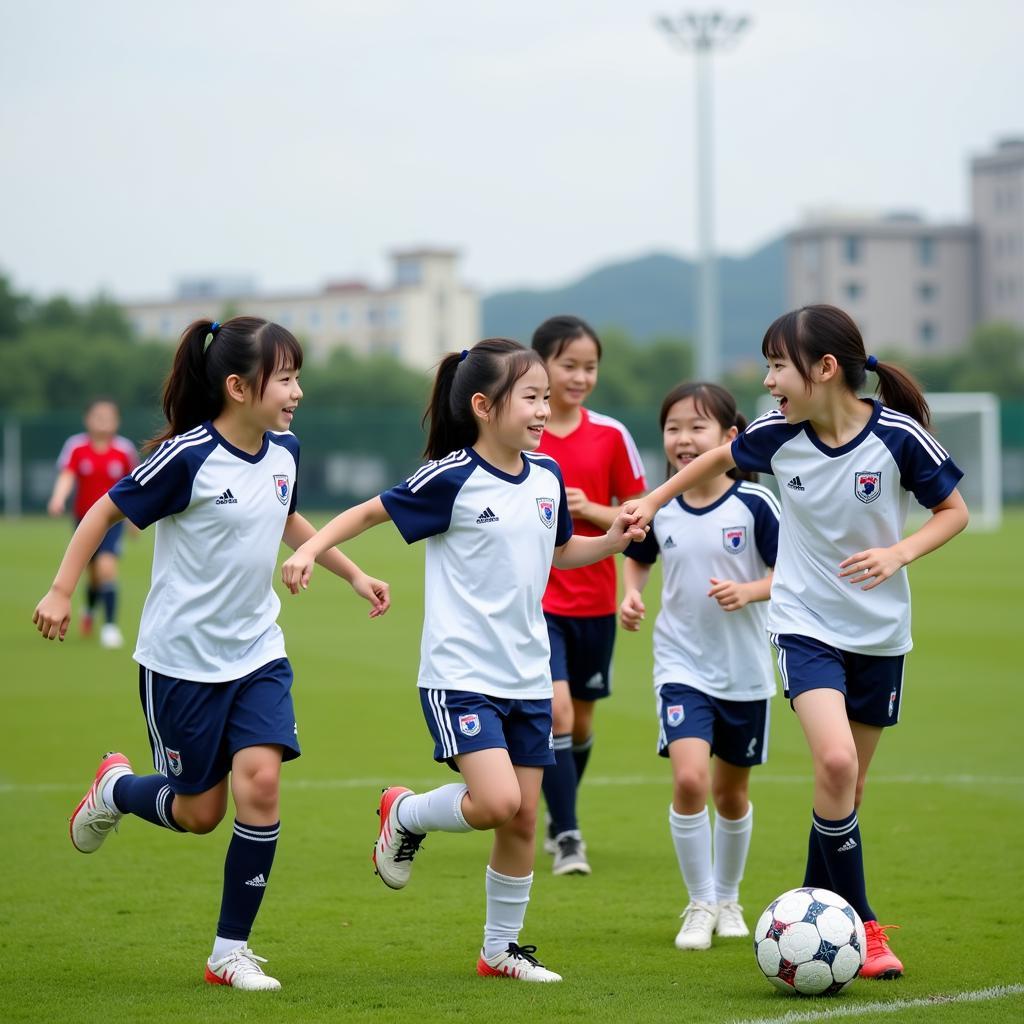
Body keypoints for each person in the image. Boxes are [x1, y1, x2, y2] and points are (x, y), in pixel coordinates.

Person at [33, 317, 390, 992]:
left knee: (261, 783)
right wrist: (60, 589)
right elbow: (104, 512)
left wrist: (351, 572)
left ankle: (230, 951)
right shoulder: (187, 457)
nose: (297, 391)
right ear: (237, 385)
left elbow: (285, 518)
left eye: (296, 376)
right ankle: (114, 789)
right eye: (284, 378)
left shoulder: (284, 451)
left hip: (258, 652)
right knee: (200, 813)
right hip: (180, 664)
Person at [281, 338, 646, 983]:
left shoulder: (547, 477)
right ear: (483, 405)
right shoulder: (451, 477)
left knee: (523, 818)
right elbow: (369, 512)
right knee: (498, 800)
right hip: (461, 677)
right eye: (530, 397)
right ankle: (406, 812)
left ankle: (500, 950)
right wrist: (312, 551)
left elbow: (560, 553)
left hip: (527, 674)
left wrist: (611, 540)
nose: (543, 409)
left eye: (545, 397)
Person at [624, 305, 968, 979]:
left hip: (880, 634)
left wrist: (899, 553)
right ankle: (864, 927)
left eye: (779, 364)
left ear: (826, 369)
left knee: (849, 787)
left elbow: (952, 511)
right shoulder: (780, 435)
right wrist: (654, 500)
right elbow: (719, 456)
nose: (769, 379)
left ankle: (812, 910)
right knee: (835, 765)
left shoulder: (896, 437)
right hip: (805, 625)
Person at [619, 382, 779, 951]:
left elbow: (796, 576)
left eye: (697, 427)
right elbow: (638, 559)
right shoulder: (658, 507)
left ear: (729, 438)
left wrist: (751, 590)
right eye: (673, 428)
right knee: (689, 781)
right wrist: (631, 593)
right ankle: (700, 902)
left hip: (745, 673)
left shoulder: (756, 505)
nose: (683, 439)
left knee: (730, 796)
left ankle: (730, 897)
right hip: (680, 664)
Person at [530, 315, 647, 875]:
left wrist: (590, 510)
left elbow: (641, 514)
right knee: (557, 714)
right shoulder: (524, 431)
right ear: (541, 366)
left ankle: (558, 814)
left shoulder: (611, 435)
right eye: (568, 365)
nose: (579, 377)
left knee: (580, 724)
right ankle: (570, 834)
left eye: (589, 367)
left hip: (596, 600)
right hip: (539, 600)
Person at [48, 398, 137, 648]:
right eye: (97, 416)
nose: (103, 422)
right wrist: (58, 498)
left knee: (107, 568)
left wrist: (133, 522)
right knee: (94, 575)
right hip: (83, 521)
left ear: (117, 421)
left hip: (113, 522)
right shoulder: (76, 447)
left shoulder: (123, 450)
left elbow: (135, 486)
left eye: (108, 417)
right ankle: (89, 610)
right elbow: (67, 475)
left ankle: (109, 627)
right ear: (87, 419)